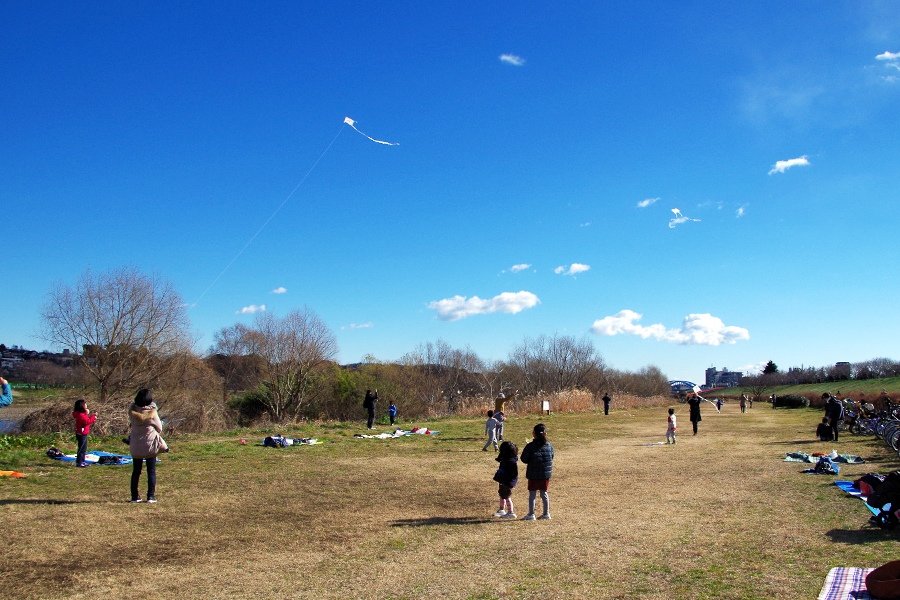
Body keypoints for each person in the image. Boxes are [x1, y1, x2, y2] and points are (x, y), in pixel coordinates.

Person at [128, 389, 169, 503]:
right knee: (151, 471)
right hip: (150, 445)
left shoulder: (132, 412)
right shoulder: (152, 412)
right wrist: (158, 423)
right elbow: (159, 429)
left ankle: (134, 496)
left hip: (136, 445)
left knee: (136, 471)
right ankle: (150, 496)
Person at [520, 423, 553, 520]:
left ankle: (531, 514)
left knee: (532, 494)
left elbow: (524, 459)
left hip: (533, 474)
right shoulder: (549, 446)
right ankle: (546, 513)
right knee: (544, 493)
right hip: (544, 474)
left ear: (533, 434)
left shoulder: (530, 446)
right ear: (545, 434)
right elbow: (551, 457)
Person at [492, 441, 519, 519]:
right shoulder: (507, 459)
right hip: (503, 481)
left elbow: (512, 474)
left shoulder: (511, 462)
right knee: (502, 494)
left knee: (506, 496)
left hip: (507, 482)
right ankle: (501, 509)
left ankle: (511, 512)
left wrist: (505, 478)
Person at [72, 399, 97, 468]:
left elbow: (85, 419)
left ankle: (82, 461)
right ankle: (80, 462)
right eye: (85, 404)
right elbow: (87, 421)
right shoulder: (80, 415)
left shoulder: (82, 414)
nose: (86, 405)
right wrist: (93, 417)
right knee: (82, 449)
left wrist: (86, 414)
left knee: (84, 448)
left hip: (83, 434)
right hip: (81, 434)